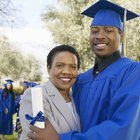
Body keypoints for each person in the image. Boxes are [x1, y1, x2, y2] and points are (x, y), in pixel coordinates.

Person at [27, 1, 140, 140]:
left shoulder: (133, 72)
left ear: (121, 35)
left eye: (109, 31)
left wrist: (59, 138)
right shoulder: (81, 80)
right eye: (94, 31)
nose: (100, 36)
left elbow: (124, 129)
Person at [19, 44, 81, 139]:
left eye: (72, 67)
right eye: (60, 66)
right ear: (49, 69)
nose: (66, 72)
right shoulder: (35, 95)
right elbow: (39, 136)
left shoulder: (76, 98)